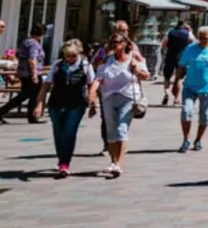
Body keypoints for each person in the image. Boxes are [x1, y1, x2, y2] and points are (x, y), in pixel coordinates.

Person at [34, 39, 96, 178]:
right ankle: (61, 157)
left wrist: (92, 101)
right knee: (58, 132)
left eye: (73, 55)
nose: (70, 59)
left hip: (76, 104)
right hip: (56, 103)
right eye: (67, 55)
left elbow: (92, 84)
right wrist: (39, 104)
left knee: (69, 132)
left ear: (78, 53)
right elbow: (46, 85)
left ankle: (64, 163)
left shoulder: (86, 66)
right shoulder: (58, 65)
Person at [91, 33, 149, 178]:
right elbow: (98, 78)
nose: (114, 45)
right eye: (112, 43)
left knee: (121, 129)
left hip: (128, 97)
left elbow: (145, 75)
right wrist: (92, 94)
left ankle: (119, 164)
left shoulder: (134, 58)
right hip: (108, 97)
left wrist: (136, 69)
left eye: (117, 42)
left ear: (124, 44)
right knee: (110, 130)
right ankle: (113, 161)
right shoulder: (106, 60)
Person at [177, 25, 208, 153]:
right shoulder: (190, 49)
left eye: (205, 38)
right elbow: (182, 65)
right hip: (190, 86)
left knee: (204, 116)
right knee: (186, 111)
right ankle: (186, 139)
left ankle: (198, 139)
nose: (202, 41)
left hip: (207, 88)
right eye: (200, 38)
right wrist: (176, 81)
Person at [0, 23, 46, 124]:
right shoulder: (33, 43)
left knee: (31, 95)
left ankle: (32, 117)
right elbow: (32, 59)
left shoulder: (26, 41)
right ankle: (2, 111)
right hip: (30, 73)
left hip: (24, 73)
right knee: (27, 95)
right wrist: (34, 74)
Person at [160, 20, 193, 105]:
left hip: (170, 56)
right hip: (182, 58)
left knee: (167, 77)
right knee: (179, 78)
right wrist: (190, 31)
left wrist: (167, 48)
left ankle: (166, 93)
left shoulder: (170, 32)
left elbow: (163, 44)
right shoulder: (187, 33)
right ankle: (176, 98)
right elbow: (193, 41)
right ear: (184, 25)